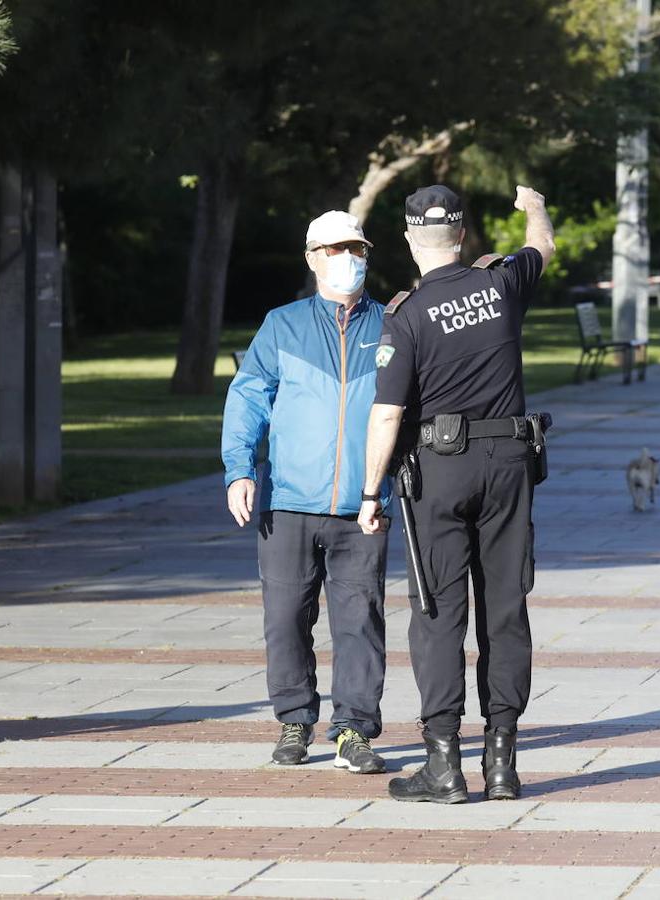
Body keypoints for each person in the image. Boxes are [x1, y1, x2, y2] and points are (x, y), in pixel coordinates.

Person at [359, 184, 555, 804]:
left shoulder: (406, 313)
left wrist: (369, 492)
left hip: (439, 472)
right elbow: (542, 246)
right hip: (508, 463)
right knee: (505, 608)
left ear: (411, 239)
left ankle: (443, 764)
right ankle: (503, 761)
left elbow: (387, 414)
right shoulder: (502, 284)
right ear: (464, 235)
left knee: (438, 615)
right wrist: (535, 205)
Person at [221, 210, 391, 772]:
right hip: (289, 502)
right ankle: (295, 721)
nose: (349, 259)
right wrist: (240, 468)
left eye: (358, 249)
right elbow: (248, 397)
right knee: (286, 617)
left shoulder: (392, 322)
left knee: (359, 620)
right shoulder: (283, 324)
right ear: (313, 258)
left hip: (364, 506)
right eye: (337, 249)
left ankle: (354, 730)